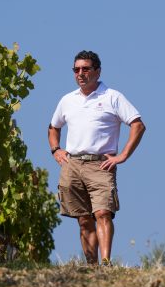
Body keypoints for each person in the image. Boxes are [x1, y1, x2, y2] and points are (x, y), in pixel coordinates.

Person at [48, 50, 145, 264]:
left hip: (101, 164)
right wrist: (56, 149)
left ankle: (106, 261)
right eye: (76, 69)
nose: (80, 73)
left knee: (103, 213)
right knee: (83, 220)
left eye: (85, 69)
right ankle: (92, 268)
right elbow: (53, 127)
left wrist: (123, 155)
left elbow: (137, 125)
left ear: (97, 71)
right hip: (72, 164)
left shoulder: (112, 97)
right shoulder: (67, 100)